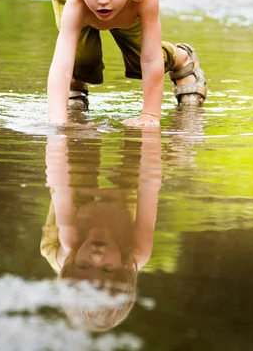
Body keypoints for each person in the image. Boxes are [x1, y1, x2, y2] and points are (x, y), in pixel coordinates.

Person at [47, 0, 207, 127]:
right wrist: (59, 122)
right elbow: (61, 64)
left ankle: (181, 58)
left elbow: (150, 61)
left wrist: (150, 115)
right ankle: (74, 85)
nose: (102, 0)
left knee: (141, 59)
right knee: (80, 59)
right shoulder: (76, 0)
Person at [40, 129, 162, 331]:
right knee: (142, 160)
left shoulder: (66, 247)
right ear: (123, 270)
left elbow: (59, 181)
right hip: (119, 221)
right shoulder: (137, 252)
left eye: (85, 266)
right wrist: (150, 130)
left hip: (73, 221)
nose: (96, 257)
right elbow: (150, 183)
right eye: (107, 269)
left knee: (75, 154)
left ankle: (76, 103)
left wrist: (58, 133)